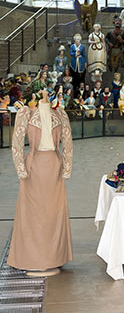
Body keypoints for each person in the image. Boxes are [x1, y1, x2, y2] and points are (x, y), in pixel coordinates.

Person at [9, 89, 73, 276]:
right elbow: (17, 143)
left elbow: (67, 142)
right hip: (33, 169)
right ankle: (31, 258)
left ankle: (54, 257)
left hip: (54, 168)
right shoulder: (26, 113)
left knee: (54, 214)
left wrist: (67, 168)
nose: (44, 93)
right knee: (32, 215)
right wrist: (20, 168)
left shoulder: (60, 114)